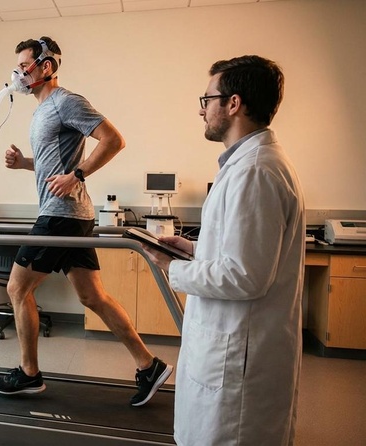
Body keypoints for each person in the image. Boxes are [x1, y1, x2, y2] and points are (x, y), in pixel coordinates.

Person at [0, 36, 173, 407]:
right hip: (72, 215)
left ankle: (29, 374)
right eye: (19, 66)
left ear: (47, 66)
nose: (19, 73)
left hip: (61, 216)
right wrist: (25, 162)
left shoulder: (64, 101)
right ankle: (148, 365)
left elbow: (113, 140)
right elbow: (52, 165)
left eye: (26, 65)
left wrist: (78, 174)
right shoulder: (41, 110)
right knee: (93, 296)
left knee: (17, 289)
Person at [142, 55, 305, 445]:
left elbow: (246, 275)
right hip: (232, 347)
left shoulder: (255, 171)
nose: (202, 110)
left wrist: (172, 268)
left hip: (238, 361)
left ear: (233, 104)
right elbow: (241, 249)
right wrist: (195, 249)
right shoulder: (249, 165)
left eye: (207, 98)